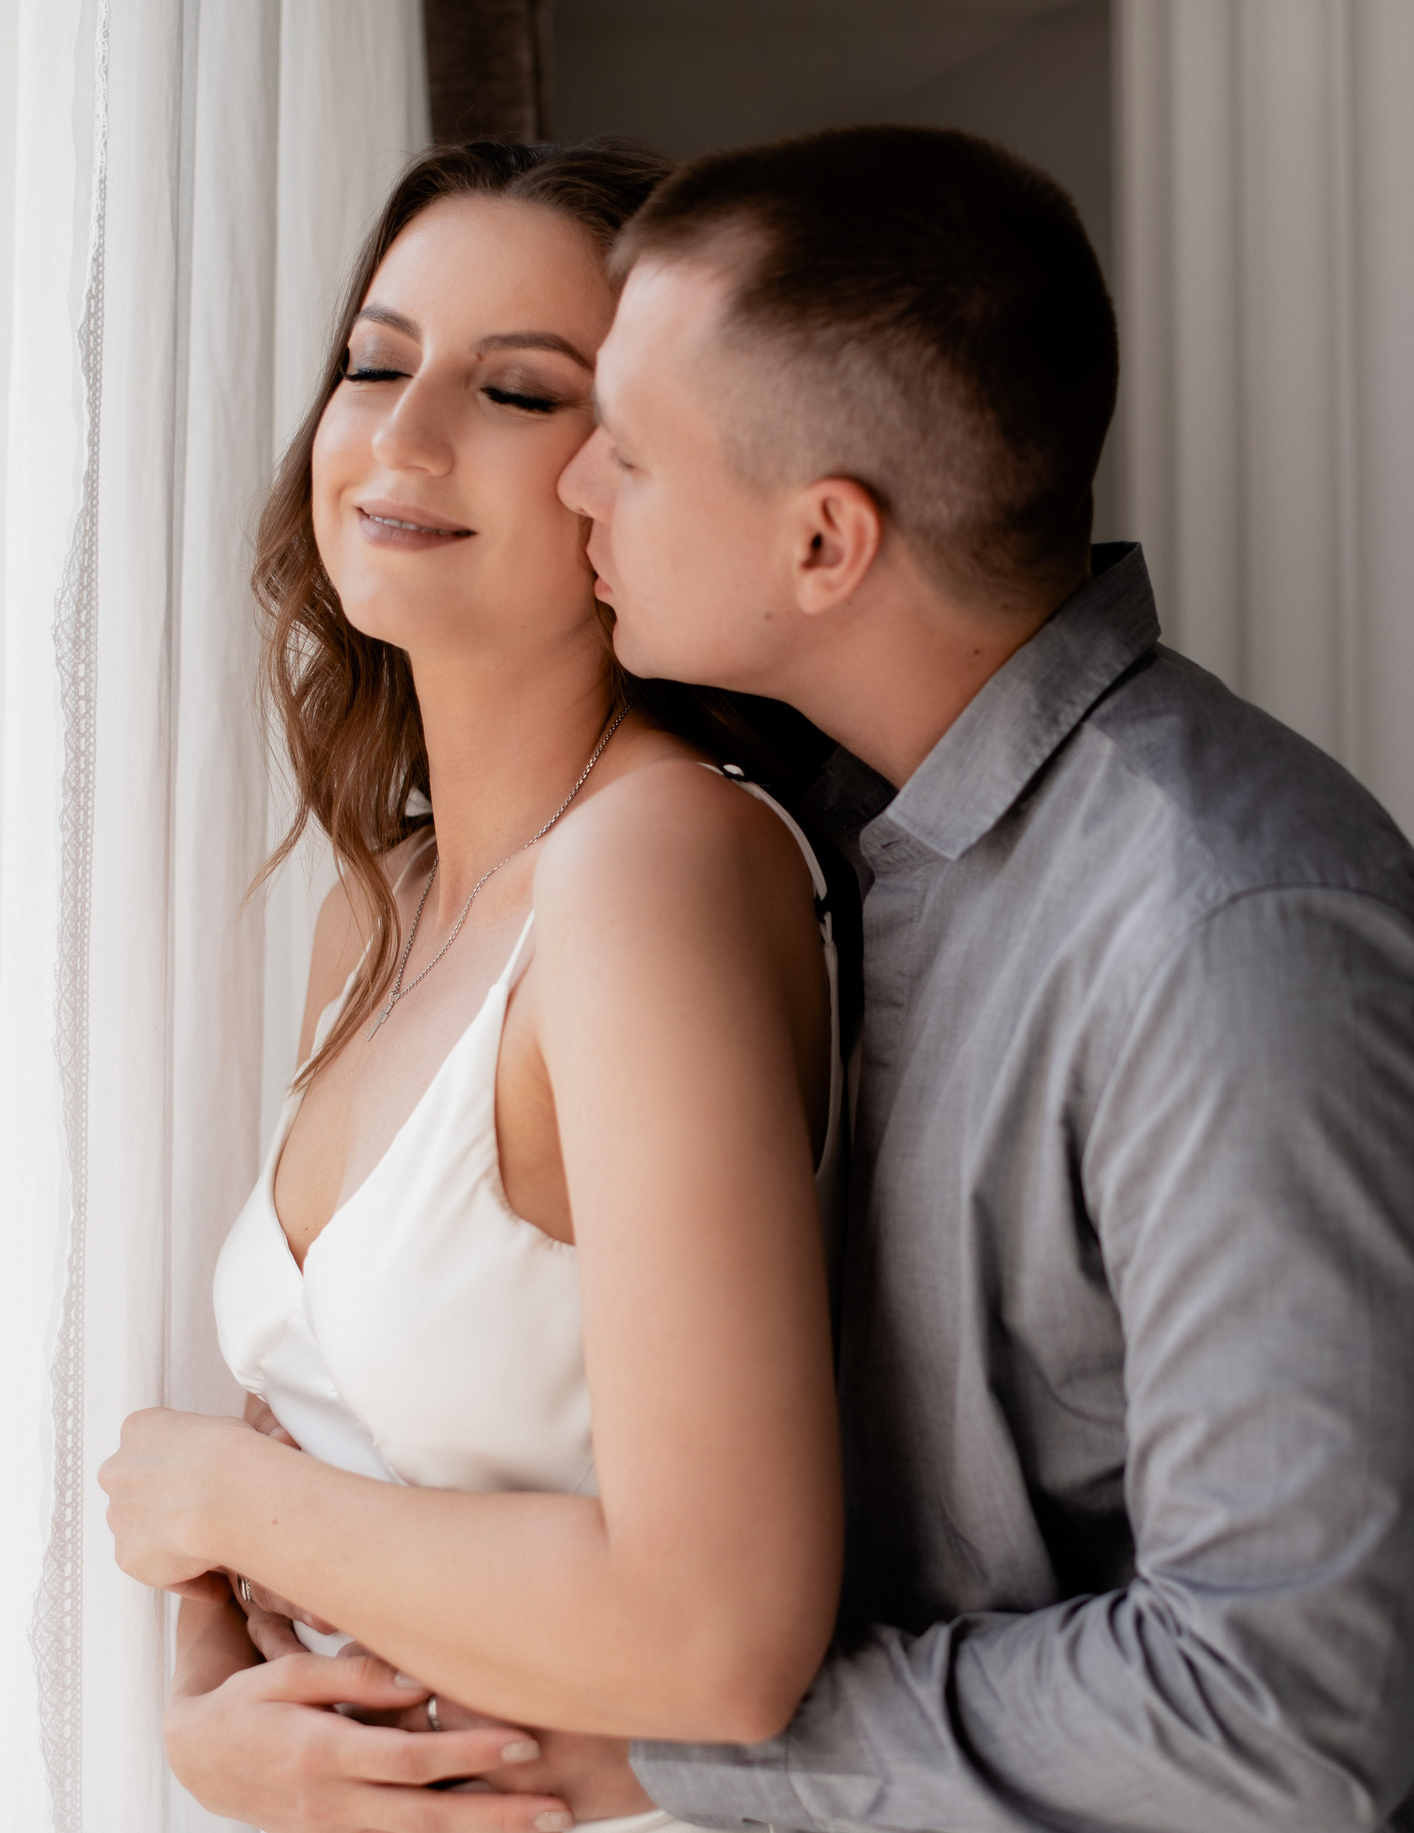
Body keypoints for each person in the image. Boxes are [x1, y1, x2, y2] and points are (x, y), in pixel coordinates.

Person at [547, 125, 1414, 1831]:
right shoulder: (789, 854)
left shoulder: (1239, 944)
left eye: (627, 455)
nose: (574, 487)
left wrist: (679, 1754)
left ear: (823, 545)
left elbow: (1274, 1714)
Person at [96, 141, 849, 1833]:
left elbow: (718, 1633)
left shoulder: (652, 870)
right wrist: (209, 1696)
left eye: (517, 390)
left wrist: (212, 1498)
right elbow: (319, 1453)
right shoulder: (380, 909)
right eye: (376, 360)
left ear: (635, 470)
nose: (401, 432)